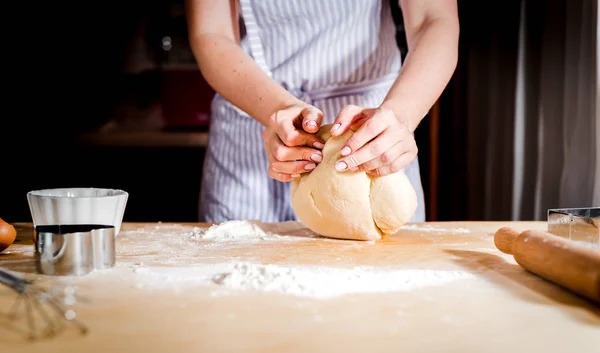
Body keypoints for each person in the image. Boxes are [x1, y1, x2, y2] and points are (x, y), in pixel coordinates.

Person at [186, 0, 459, 223]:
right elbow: (211, 33)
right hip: (253, 122)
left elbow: (433, 18)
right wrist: (280, 109)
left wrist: (402, 114)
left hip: (372, 132)